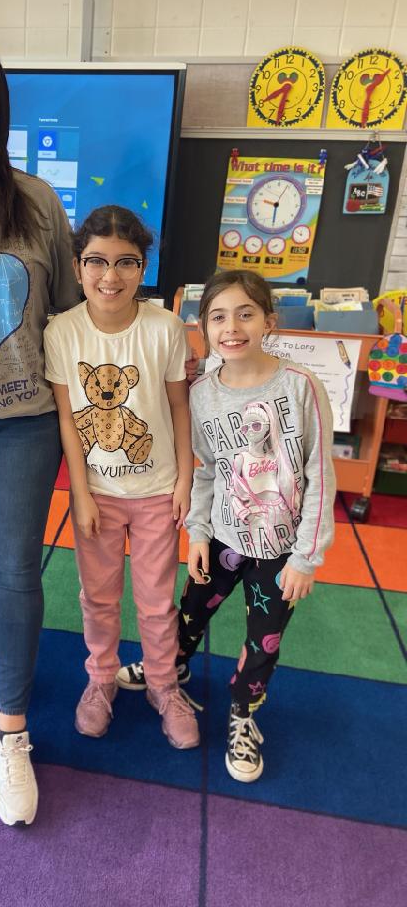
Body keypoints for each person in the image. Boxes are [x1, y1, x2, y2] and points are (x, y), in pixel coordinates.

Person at [117, 269, 335, 782]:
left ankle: (242, 714)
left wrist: (306, 557)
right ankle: (169, 668)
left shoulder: (301, 387)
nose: (231, 327)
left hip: (281, 552)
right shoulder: (201, 394)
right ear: (202, 326)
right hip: (221, 540)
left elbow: (320, 474)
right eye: (218, 316)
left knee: (264, 641)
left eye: (245, 314)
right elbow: (205, 470)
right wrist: (196, 533)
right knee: (188, 615)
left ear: (268, 321)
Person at [44, 205, 199, 749]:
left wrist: (184, 480)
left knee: (157, 600)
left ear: (143, 266)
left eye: (126, 263)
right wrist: (79, 493)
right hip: (98, 497)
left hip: (158, 491)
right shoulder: (62, 332)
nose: (110, 276)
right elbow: (68, 417)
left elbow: (180, 407)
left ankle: (162, 684)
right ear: (77, 264)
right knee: (99, 596)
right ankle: (102, 679)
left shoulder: (165, 328)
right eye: (96, 262)